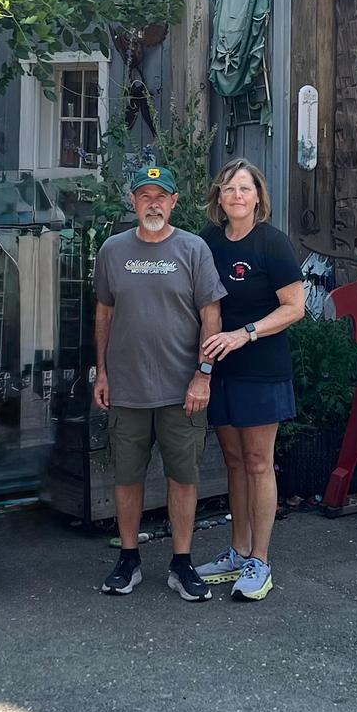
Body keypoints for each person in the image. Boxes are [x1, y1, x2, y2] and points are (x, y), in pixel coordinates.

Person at [93, 162, 224, 601]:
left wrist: (203, 376)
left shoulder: (193, 250)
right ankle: (128, 559)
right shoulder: (112, 250)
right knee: (127, 477)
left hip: (181, 390)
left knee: (183, 478)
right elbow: (104, 314)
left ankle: (181, 562)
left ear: (174, 202)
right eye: (145, 195)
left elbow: (212, 317)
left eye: (161, 195)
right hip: (126, 387)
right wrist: (103, 372)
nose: (153, 203)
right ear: (132, 202)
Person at [195, 159, 305, 603]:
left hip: (262, 367)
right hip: (221, 368)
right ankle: (238, 552)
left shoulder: (272, 244)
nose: (237, 195)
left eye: (245, 188)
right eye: (229, 189)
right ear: (219, 200)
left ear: (258, 196)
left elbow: (294, 307)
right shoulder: (207, 244)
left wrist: (246, 334)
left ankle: (260, 561)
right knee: (235, 462)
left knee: (259, 462)